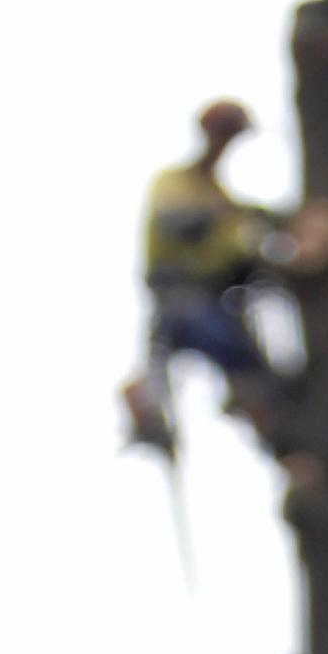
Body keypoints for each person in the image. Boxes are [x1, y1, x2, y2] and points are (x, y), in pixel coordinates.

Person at [121, 100, 286, 455]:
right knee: (235, 357)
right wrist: (229, 213)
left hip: (217, 300)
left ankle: (271, 424)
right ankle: (144, 405)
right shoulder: (175, 183)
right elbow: (177, 225)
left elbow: (237, 259)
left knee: (252, 367)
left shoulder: (219, 194)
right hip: (180, 299)